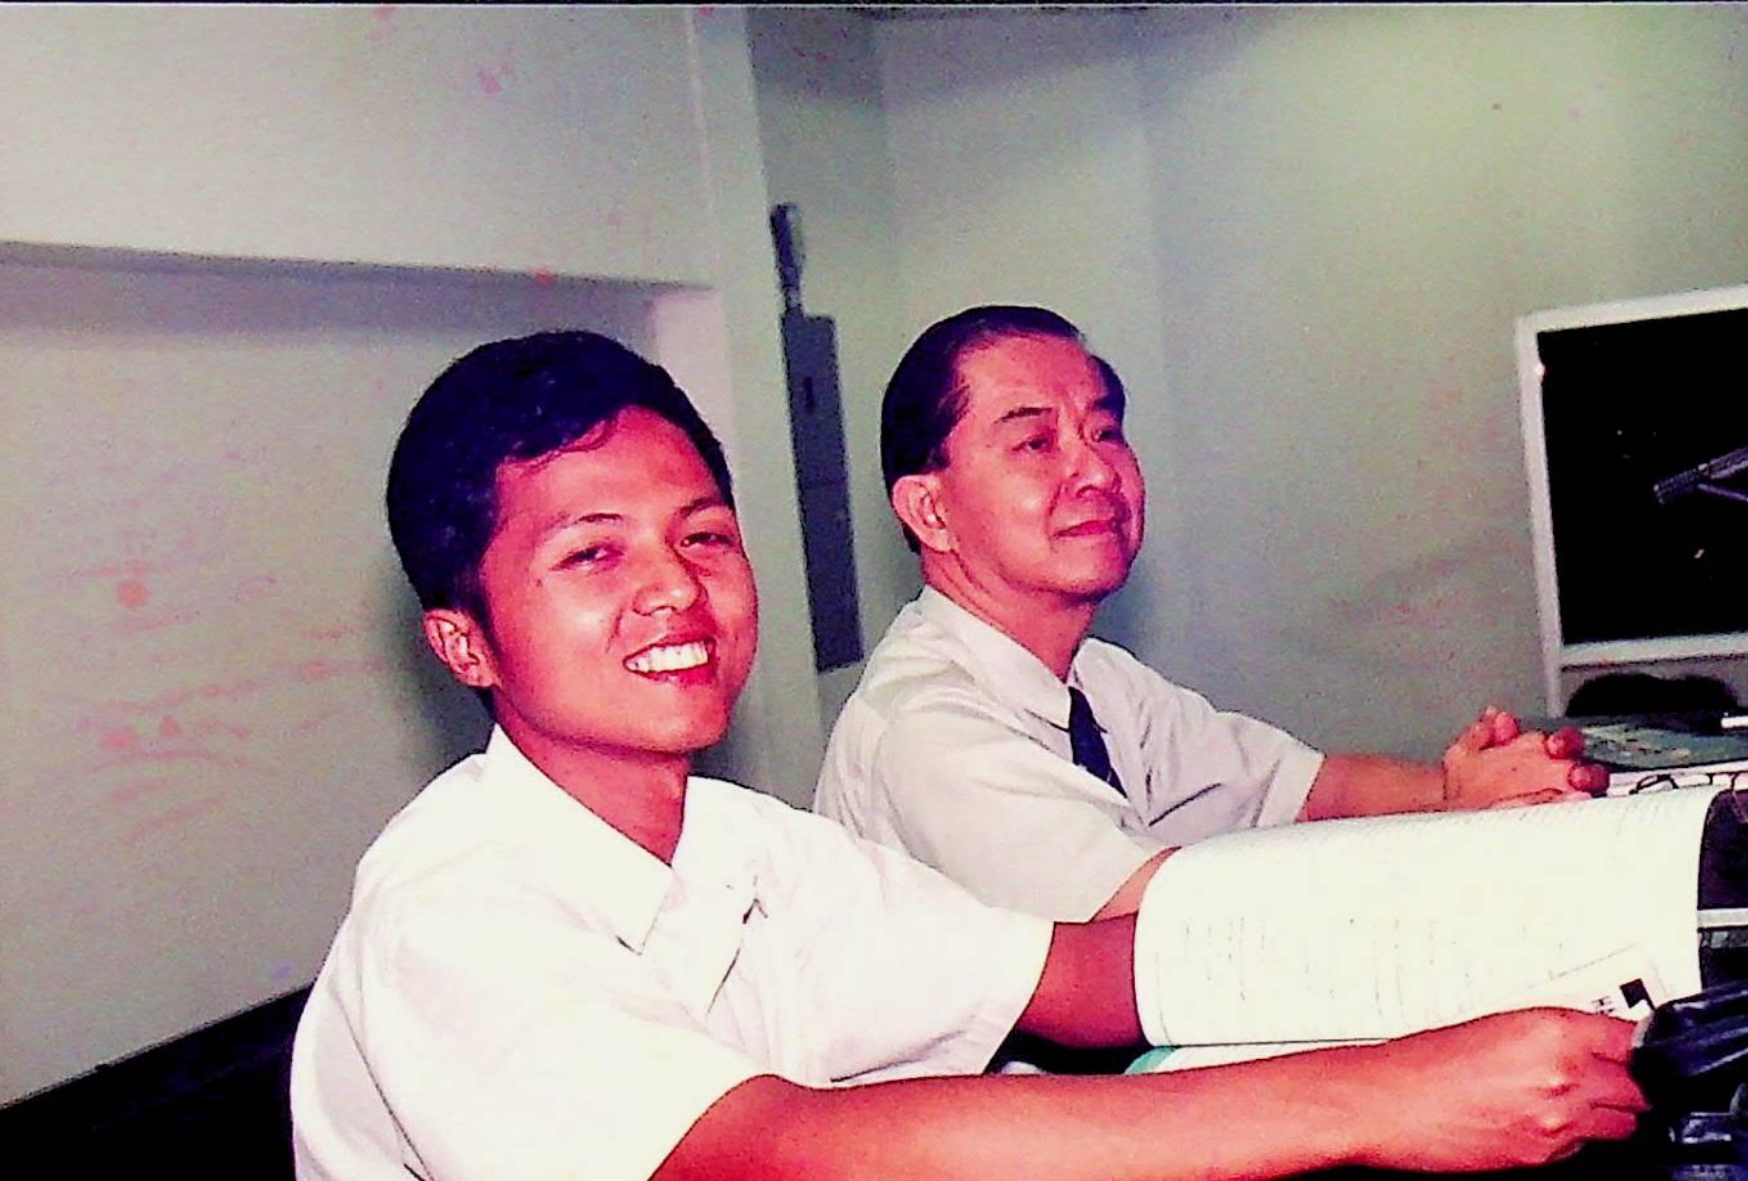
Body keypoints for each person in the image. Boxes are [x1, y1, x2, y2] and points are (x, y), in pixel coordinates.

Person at [289, 329, 1644, 1180]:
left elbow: (1084, 976)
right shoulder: (455, 910)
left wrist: (1544, 928)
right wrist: (1378, 1095)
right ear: (464, 641)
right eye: (593, 555)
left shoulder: (745, 846)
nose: (673, 590)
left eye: (701, 536)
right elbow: (773, 1149)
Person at [815, 305, 1608, 923]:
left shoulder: (1096, 679)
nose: (1097, 470)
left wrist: (1468, 787)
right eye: (1035, 444)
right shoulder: (928, 730)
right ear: (931, 510)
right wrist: (1457, 826)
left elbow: (1312, 788)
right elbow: (1159, 922)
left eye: (1105, 431)